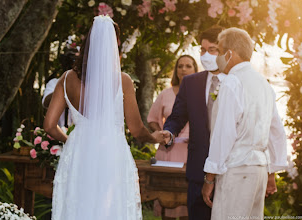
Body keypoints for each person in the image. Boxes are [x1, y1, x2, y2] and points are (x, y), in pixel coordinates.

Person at [43, 15, 164, 219]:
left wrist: (70, 140)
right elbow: (136, 129)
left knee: (78, 206)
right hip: (111, 154)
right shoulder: (123, 81)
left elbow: (49, 126)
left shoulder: (66, 79)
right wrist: (154, 138)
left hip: (79, 153)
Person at [201, 27, 288, 220]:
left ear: (229, 53)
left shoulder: (233, 82)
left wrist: (209, 177)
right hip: (258, 170)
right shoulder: (263, 83)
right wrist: (272, 170)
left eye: (220, 51)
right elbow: (276, 132)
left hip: (237, 168)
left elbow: (223, 134)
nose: (218, 58)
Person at [161, 26, 225, 220]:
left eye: (212, 49)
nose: (206, 55)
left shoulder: (237, 81)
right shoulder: (191, 82)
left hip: (229, 171)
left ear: (224, 51)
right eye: (202, 50)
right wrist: (169, 132)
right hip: (198, 170)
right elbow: (177, 117)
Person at [147, 55, 198, 220]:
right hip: (168, 153)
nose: (183, 69)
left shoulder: (201, 93)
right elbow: (152, 120)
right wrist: (163, 134)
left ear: (195, 70)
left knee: (186, 204)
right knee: (167, 200)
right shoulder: (165, 94)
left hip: (191, 153)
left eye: (188, 66)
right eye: (180, 66)